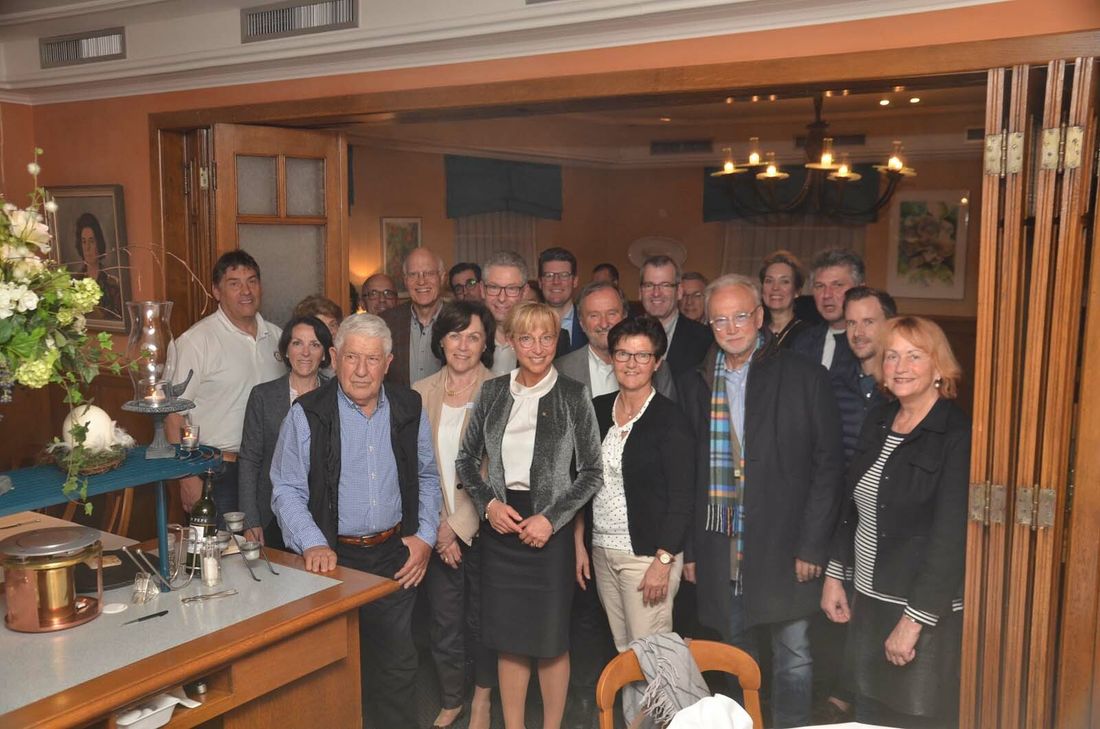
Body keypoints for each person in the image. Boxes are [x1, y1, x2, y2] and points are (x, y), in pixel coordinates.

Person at [679, 274, 844, 728]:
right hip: (720, 542)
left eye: (740, 317)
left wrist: (812, 546)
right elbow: (688, 475)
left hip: (784, 540)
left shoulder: (804, 376)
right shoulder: (696, 381)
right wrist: (692, 550)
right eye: (719, 320)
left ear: (758, 317)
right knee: (735, 654)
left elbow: (828, 467)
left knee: (793, 653)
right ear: (708, 324)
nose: (731, 328)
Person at [270, 313, 441, 729]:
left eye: (371, 359)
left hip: (393, 557)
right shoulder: (307, 414)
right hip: (332, 560)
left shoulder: (408, 406)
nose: (361, 371)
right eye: (351, 358)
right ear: (334, 357)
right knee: (336, 669)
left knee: (397, 668)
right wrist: (312, 542)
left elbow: (426, 475)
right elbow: (286, 489)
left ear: (388, 362)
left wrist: (425, 537)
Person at [456, 301, 603, 729]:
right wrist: (489, 505)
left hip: (549, 531)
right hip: (502, 527)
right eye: (526, 337)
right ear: (510, 341)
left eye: (546, 337)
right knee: (510, 641)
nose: (537, 347)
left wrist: (551, 520)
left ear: (557, 341)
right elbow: (466, 460)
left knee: (550, 640)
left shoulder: (574, 395)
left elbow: (592, 472)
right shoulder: (493, 391)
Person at [822, 316, 969, 728]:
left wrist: (913, 621)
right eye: (892, 356)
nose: (900, 367)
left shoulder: (956, 433)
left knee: (911, 719)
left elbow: (950, 539)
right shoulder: (880, 418)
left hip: (920, 613)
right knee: (868, 716)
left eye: (914, 356)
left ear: (939, 367)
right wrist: (836, 574)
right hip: (868, 601)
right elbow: (852, 506)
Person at [586, 316, 695, 722]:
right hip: (603, 551)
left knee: (656, 662)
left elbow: (683, 496)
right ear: (611, 358)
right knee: (625, 656)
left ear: (657, 361)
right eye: (623, 354)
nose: (631, 363)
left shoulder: (671, 419)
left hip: (647, 558)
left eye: (641, 355)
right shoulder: (597, 410)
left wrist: (663, 561)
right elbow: (583, 483)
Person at [812, 284, 897, 724]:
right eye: (852, 322)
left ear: (890, 324)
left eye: (870, 321)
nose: (859, 331)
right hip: (839, 520)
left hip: (889, 529)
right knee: (836, 618)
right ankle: (844, 697)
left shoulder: (902, 387)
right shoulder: (833, 383)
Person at [412, 301, 497, 729]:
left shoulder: (501, 389)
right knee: (444, 622)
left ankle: (482, 701)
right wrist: (437, 531)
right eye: (454, 335)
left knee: (483, 620)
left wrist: (456, 526)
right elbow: (414, 469)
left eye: (473, 336)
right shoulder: (419, 390)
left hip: (485, 530)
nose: (462, 345)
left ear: (486, 343)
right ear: (440, 340)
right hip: (434, 529)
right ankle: (451, 699)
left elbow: (492, 471)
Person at [166, 250, 285, 515]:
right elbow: (173, 417)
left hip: (271, 472)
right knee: (218, 554)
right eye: (234, 283)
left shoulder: (277, 338)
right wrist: (186, 478)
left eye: (252, 281)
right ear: (216, 292)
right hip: (218, 471)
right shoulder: (196, 342)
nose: (246, 291)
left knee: (268, 554)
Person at [237, 315, 332, 550]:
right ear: (286, 351)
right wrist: (250, 520)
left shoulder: (336, 396)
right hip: (271, 514)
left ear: (325, 355)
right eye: (297, 343)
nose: (305, 352)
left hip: (326, 513)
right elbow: (249, 460)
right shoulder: (263, 396)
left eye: (315, 345)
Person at [556, 281, 676, 400]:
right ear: (581, 323)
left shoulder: (657, 368)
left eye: (612, 314)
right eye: (594, 315)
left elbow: (668, 416)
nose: (604, 324)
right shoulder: (562, 369)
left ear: (625, 316)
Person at [382, 247, 446, 386]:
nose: (421, 281)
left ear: (441, 277)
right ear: (405, 280)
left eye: (428, 273)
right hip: (399, 407)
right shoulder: (385, 323)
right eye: (413, 274)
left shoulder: (460, 321)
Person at [639, 255, 712, 377]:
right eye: (649, 285)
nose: (656, 293)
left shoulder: (705, 340)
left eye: (665, 285)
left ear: (679, 292)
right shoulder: (623, 336)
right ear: (640, 292)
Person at [791, 248, 864, 369]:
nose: (827, 295)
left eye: (837, 285)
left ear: (860, 290)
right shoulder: (803, 342)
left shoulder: (870, 342)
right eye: (820, 286)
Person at [481, 251, 530, 376]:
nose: (502, 298)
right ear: (482, 290)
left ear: (524, 292)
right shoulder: (467, 339)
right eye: (494, 287)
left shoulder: (545, 341)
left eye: (511, 289)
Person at [72, 212, 122, 319]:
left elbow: (119, 318)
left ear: (99, 243)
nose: (87, 248)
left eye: (91, 241)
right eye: (84, 242)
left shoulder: (112, 283)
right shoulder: (74, 281)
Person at [538, 247, 587, 356]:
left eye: (564, 275)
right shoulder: (526, 323)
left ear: (575, 281)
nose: (556, 282)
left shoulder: (589, 322)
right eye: (549, 275)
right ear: (540, 282)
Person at [759, 250, 812, 348]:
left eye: (784, 281)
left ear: (797, 291)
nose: (775, 287)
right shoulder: (755, 332)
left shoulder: (809, 335)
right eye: (769, 281)